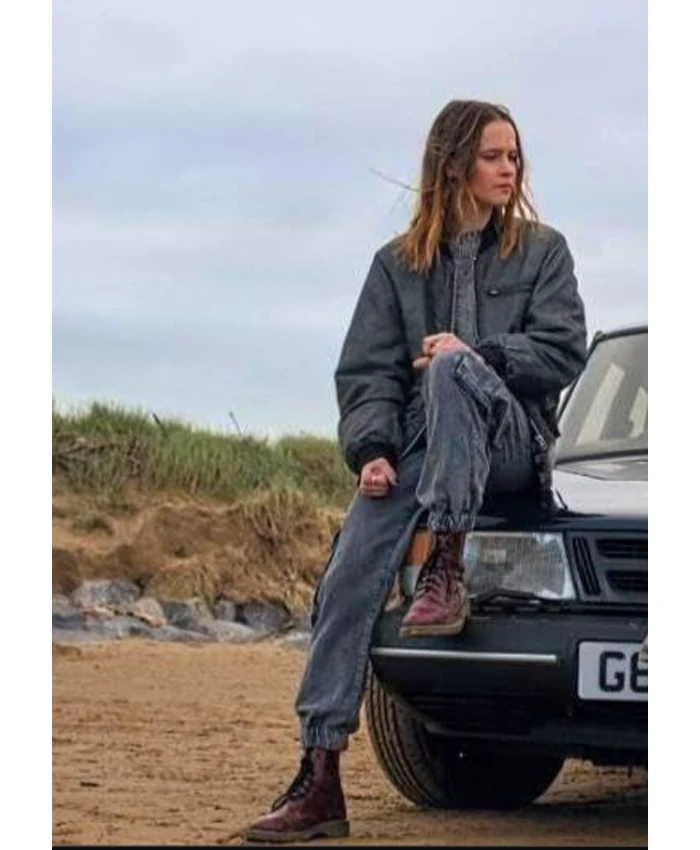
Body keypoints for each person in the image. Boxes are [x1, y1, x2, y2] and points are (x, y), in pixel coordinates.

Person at [244, 99, 588, 843]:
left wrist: (479, 355)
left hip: (508, 442)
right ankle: (319, 775)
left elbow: (564, 349)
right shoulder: (395, 265)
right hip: (416, 452)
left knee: (452, 368)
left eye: (514, 156)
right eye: (494, 156)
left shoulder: (542, 251)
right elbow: (367, 373)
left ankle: (447, 564)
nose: (509, 169)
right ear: (454, 165)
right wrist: (370, 450)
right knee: (348, 573)